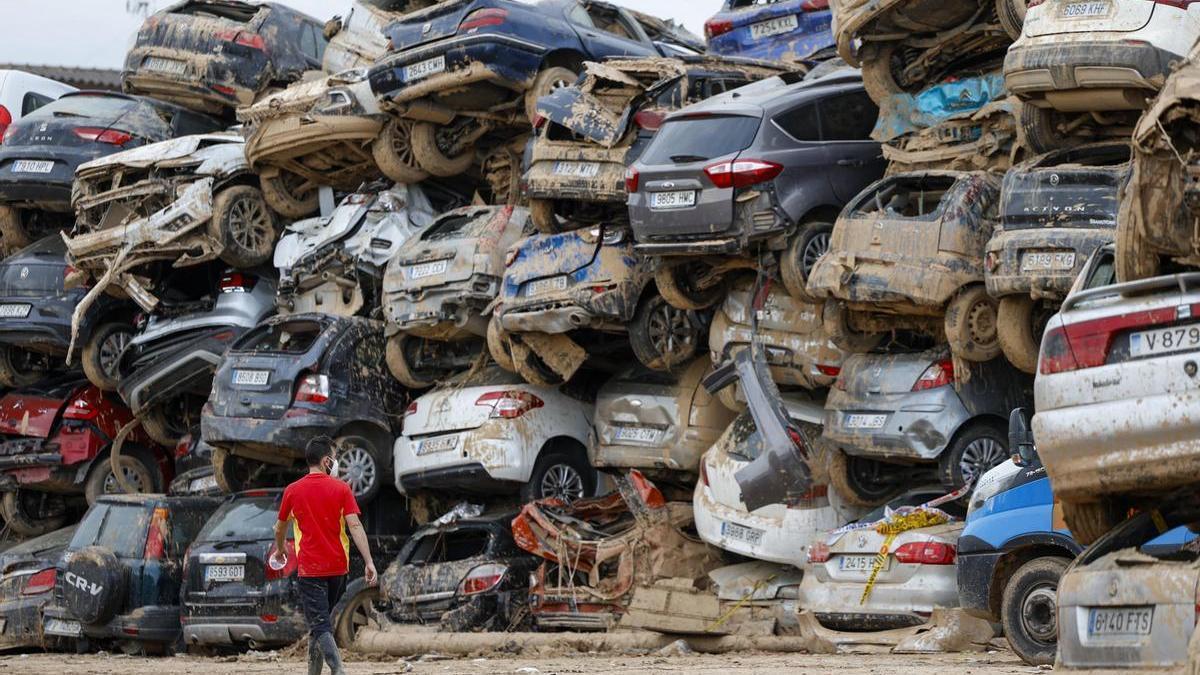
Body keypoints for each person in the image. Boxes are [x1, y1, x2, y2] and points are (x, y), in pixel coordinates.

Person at [272, 436, 378, 675]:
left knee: (320, 625)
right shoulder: (341, 488)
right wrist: (369, 561)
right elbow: (355, 526)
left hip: (310, 571)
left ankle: (338, 669)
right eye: (334, 457)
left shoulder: (293, 491)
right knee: (319, 624)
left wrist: (280, 549)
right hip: (338, 570)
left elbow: (279, 528)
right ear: (326, 461)